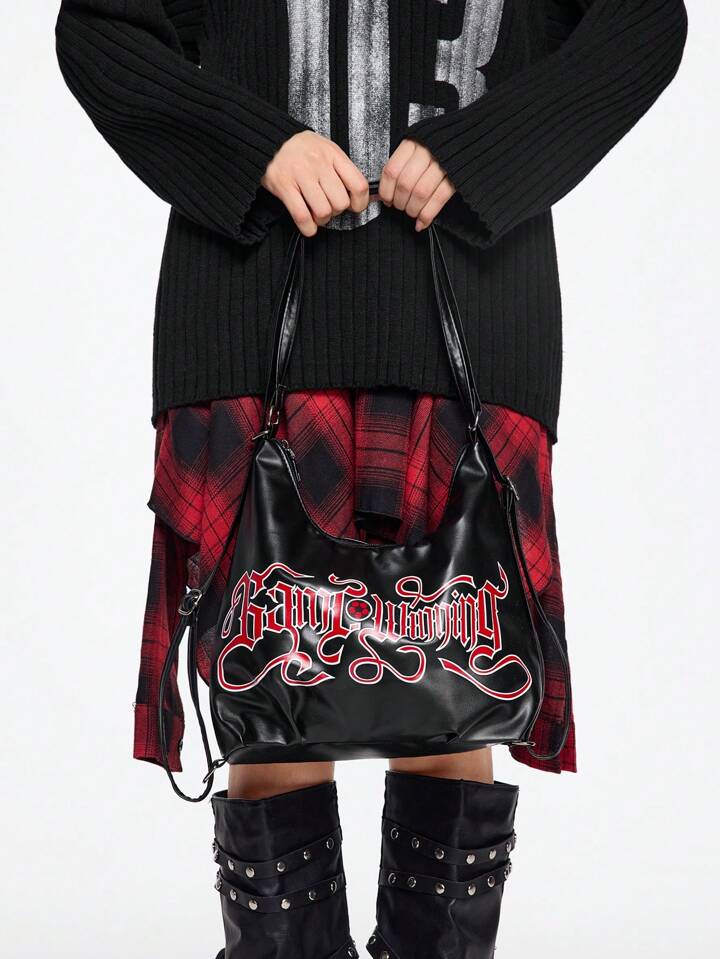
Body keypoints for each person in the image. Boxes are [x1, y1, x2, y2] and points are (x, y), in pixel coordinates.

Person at [55, 2, 687, 957]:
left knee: (455, 699)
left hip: (466, 316)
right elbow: (101, 26)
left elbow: (643, 23)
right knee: (274, 711)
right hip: (253, 314)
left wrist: (487, 151)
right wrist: (255, 148)